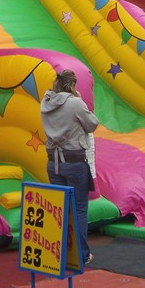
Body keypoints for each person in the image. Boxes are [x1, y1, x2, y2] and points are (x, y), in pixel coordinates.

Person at [40, 69, 99, 266]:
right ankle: (81, 255)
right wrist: (79, 100)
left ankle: (58, 254)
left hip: (53, 163)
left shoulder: (46, 102)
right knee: (79, 208)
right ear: (72, 85)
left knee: (59, 209)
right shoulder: (75, 103)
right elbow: (91, 125)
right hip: (74, 162)